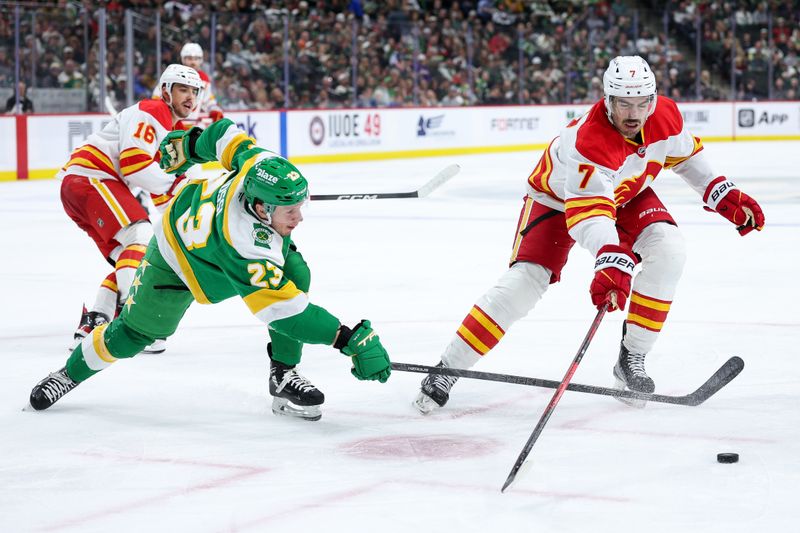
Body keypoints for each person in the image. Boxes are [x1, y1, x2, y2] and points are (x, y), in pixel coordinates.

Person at [413, 55, 765, 413]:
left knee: (669, 250)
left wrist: (722, 193)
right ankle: (447, 368)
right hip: (556, 200)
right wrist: (611, 257)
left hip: (627, 192)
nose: (634, 113)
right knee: (524, 283)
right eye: (624, 103)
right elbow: (590, 214)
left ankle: (632, 361)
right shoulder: (589, 140)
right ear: (608, 100)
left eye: (642, 103)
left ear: (653, 99)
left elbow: (686, 157)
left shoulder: (665, 116)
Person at [29, 118, 392, 421]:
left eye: (300, 206)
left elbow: (224, 135)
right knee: (133, 334)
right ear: (263, 211)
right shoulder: (245, 245)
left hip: (211, 243)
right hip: (174, 260)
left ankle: (282, 376)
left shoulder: (258, 165)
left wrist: (191, 144)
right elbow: (286, 313)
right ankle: (68, 373)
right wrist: (346, 340)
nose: (299, 218)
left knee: (296, 273)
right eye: (290, 212)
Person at [58, 64, 205, 355]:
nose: (190, 97)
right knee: (140, 236)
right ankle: (135, 319)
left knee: (136, 254)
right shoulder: (155, 111)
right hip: (93, 179)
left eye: (194, 91)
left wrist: (187, 210)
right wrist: (180, 184)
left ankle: (95, 319)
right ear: (166, 91)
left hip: (86, 187)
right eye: (183, 89)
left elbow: (159, 189)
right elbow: (136, 166)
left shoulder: (170, 127)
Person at [153, 43, 223, 125]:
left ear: (200, 60)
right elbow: (157, 97)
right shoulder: (172, 74)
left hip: (192, 125)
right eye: (189, 58)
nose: (193, 62)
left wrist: (215, 110)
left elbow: (209, 100)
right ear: (183, 59)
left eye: (196, 59)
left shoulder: (204, 79)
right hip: (172, 124)